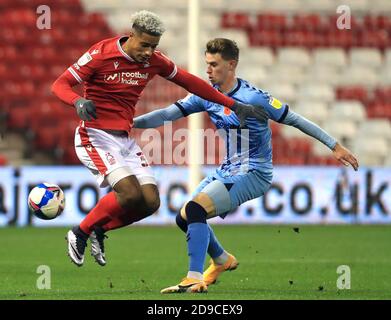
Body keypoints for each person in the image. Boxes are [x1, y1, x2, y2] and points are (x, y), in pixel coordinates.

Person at [133, 38, 359, 293]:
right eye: (206, 64)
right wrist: (129, 122)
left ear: (232, 65)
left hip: (254, 171)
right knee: (184, 218)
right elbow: (166, 114)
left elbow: (295, 120)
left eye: (214, 65)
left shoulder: (254, 98)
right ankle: (221, 260)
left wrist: (334, 145)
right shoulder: (205, 94)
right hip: (228, 169)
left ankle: (194, 277)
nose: (207, 70)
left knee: (196, 210)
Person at [51, 11, 267, 267]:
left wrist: (232, 104)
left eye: (153, 46)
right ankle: (80, 232)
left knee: (150, 202)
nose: (148, 52)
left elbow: (191, 82)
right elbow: (60, 84)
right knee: (129, 194)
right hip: (95, 134)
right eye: (144, 45)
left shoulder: (154, 61)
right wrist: (78, 101)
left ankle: (99, 229)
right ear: (131, 35)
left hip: (123, 138)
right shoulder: (101, 54)